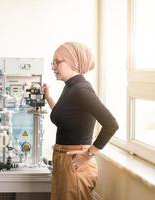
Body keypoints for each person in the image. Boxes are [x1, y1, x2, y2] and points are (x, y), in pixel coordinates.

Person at [43, 42, 119, 200]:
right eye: (53, 62)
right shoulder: (70, 87)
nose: (53, 66)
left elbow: (111, 124)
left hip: (75, 164)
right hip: (63, 160)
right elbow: (64, 115)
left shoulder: (81, 89)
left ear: (72, 61)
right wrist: (49, 97)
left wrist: (88, 154)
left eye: (57, 61)